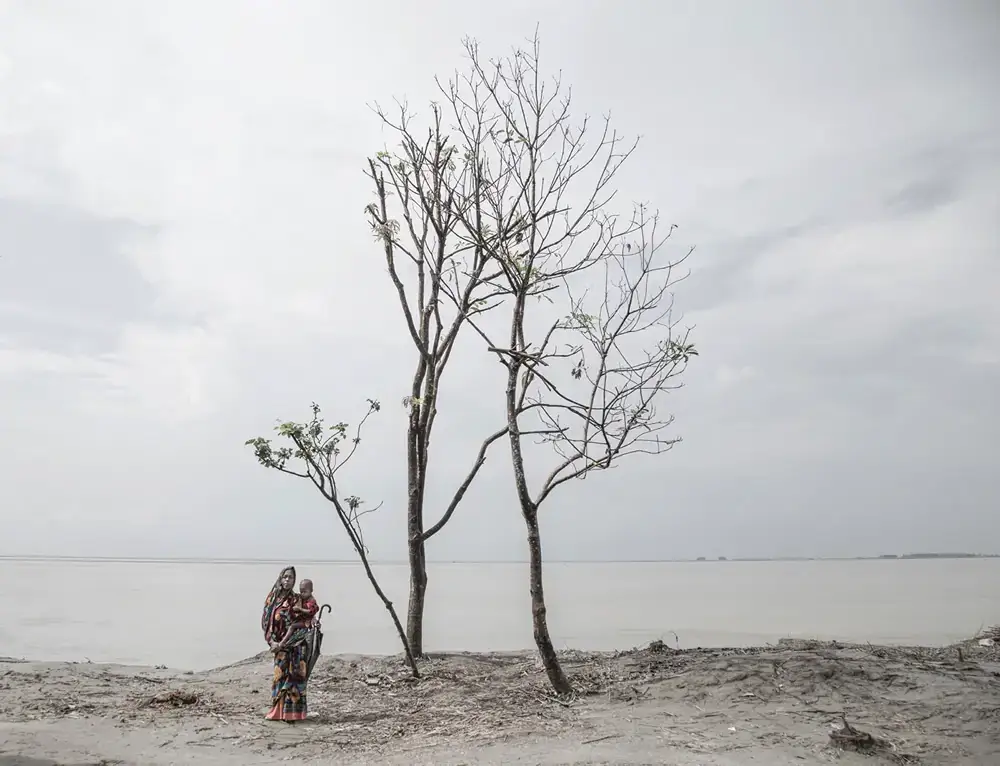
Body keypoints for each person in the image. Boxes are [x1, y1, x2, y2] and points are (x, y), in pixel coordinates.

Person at [260, 565, 315, 723]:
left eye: (290, 577)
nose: (287, 580)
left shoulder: (297, 599)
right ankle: (277, 712)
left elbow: (305, 618)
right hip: (278, 645)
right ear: (280, 578)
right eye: (285, 577)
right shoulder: (272, 599)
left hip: (295, 645)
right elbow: (265, 620)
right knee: (280, 677)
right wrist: (271, 641)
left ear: (294, 580)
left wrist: (312, 620)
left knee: (294, 678)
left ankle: (292, 715)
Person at [273, 579, 319, 652]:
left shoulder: (311, 601)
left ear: (311, 590)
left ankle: (282, 642)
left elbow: (311, 611)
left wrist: (300, 609)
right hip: (301, 618)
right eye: (301, 591)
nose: (302, 593)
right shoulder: (302, 598)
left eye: (305, 592)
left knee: (292, 626)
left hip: (307, 621)